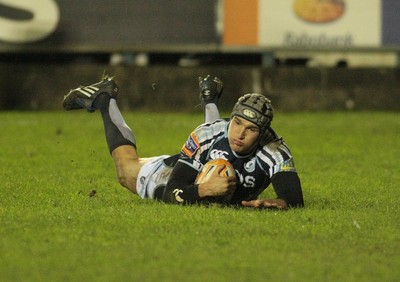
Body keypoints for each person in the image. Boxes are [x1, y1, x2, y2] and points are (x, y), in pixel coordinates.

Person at [63, 74, 304, 209]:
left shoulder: (275, 151)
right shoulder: (208, 134)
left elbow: (294, 201)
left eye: (250, 129)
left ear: (262, 133)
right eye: (237, 123)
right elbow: (171, 193)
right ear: (232, 117)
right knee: (126, 171)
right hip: (172, 173)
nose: (240, 133)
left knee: (215, 143)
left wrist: (275, 203)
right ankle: (105, 99)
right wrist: (205, 189)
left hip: (205, 159)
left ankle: (209, 97)